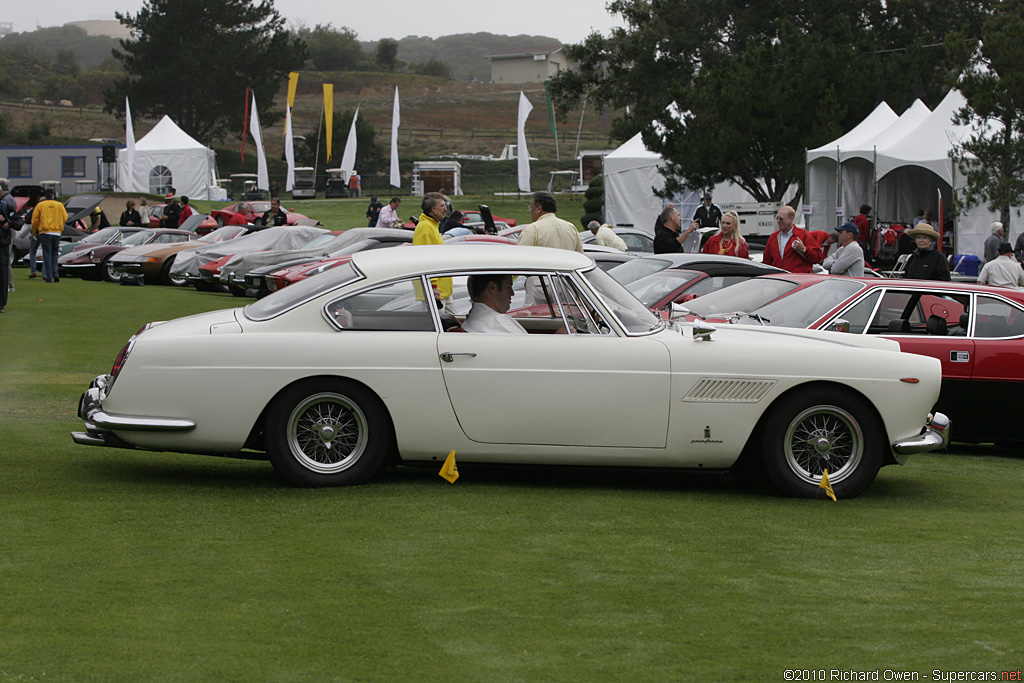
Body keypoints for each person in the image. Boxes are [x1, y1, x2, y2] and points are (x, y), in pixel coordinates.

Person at [412, 192, 455, 314]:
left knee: (455, 327)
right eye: (442, 206)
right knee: (438, 330)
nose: (445, 209)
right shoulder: (426, 228)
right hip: (435, 292)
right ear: (433, 209)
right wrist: (433, 287)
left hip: (443, 291)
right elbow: (425, 259)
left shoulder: (432, 225)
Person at [461, 274, 528, 334]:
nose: (512, 293)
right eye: (508, 287)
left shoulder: (472, 320)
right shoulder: (501, 325)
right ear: (492, 287)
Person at [517, 191, 583, 253]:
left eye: (531, 208)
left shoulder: (533, 229)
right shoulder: (571, 228)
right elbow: (581, 257)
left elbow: (521, 257)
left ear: (539, 208)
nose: (530, 211)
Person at [762, 206, 823, 273]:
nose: (778, 221)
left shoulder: (803, 235)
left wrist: (804, 249)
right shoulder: (773, 237)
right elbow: (766, 263)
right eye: (777, 218)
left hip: (798, 280)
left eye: (781, 219)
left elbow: (817, 258)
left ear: (791, 218)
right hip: (779, 279)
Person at [31, 188, 67, 283]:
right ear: (53, 195)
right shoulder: (59, 205)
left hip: (45, 231)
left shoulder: (41, 205)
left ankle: (49, 276)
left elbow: (35, 220)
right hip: (57, 232)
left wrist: (33, 231)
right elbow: (65, 217)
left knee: (47, 254)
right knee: (55, 254)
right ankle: (56, 273)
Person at [0, 180, 18, 312]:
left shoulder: (5, 203)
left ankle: (1, 303)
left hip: (2, 242)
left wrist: (8, 223)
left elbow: (17, 220)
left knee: (3, 271)